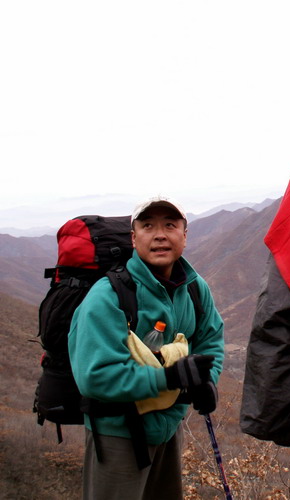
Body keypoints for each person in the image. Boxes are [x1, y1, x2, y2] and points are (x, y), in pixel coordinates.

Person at [68, 195, 224, 500]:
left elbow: (211, 338)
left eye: (170, 225)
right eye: (148, 226)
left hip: (169, 427)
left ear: (184, 235)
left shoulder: (194, 287)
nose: (160, 235)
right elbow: (95, 376)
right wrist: (167, 379)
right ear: (134, 237)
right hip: (118, 434)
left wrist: (208, 380)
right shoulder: (108, 296)